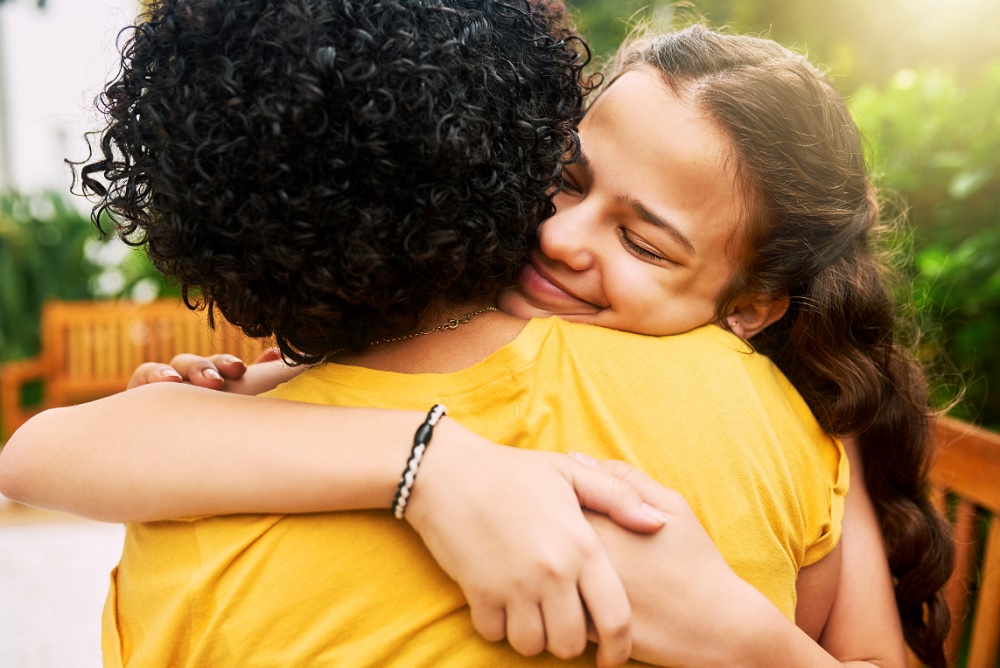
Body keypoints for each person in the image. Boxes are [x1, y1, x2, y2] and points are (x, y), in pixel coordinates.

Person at [0, 2, 950, 667]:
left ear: (751, 303)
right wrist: (430, 460)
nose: (560, 235)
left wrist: (737, 639)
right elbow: (40, 455)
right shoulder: (768, 424)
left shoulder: (816, 413)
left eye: (644, 242)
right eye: (569, 178)